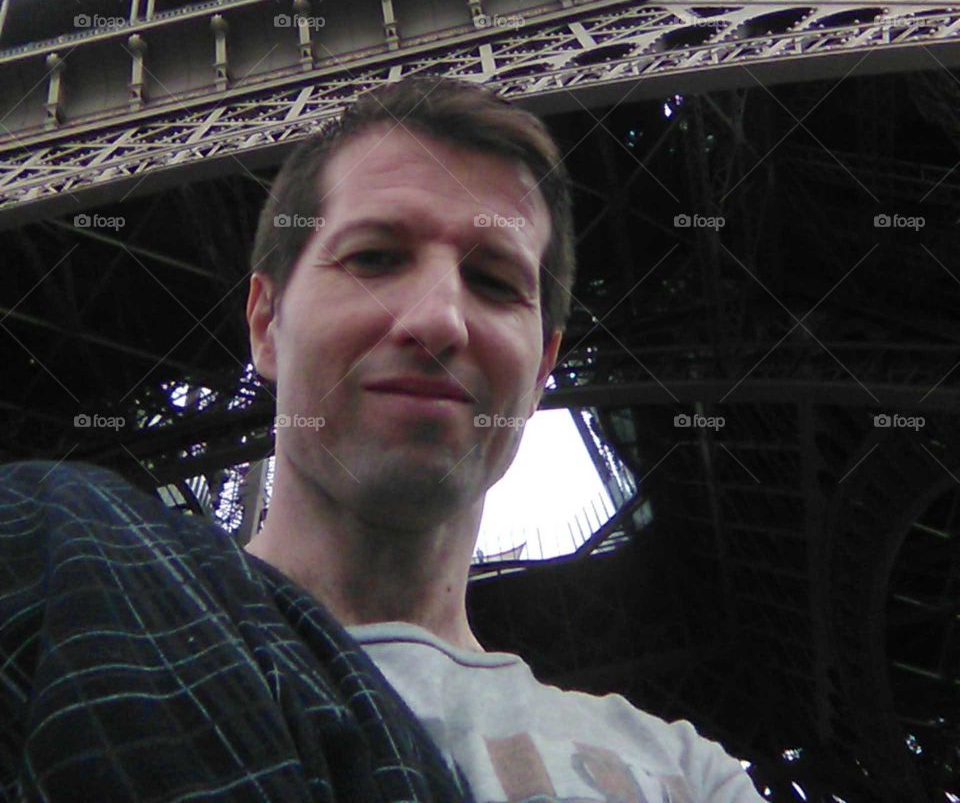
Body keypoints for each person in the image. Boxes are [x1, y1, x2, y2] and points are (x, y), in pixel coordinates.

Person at [0, 75, 763, 802]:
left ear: (541, 374)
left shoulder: (692, 774)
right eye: (374, 258)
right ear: (266, 324)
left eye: (495, 281)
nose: (436, 320)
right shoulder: (57, 557)